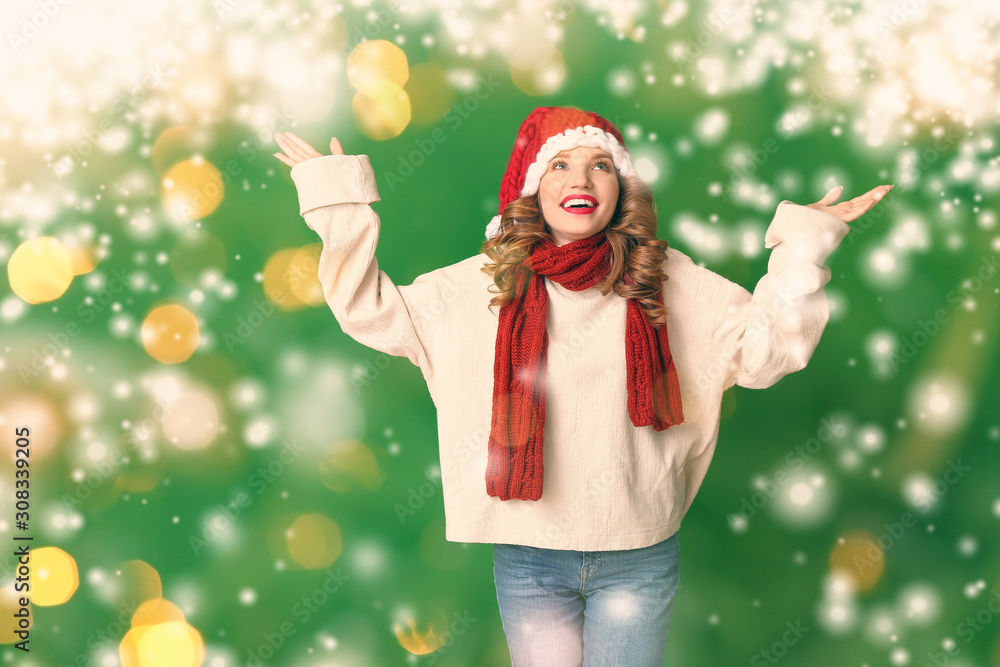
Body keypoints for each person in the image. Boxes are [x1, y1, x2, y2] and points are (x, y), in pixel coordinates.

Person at [273, 106, 892, 666]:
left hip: (638, 551)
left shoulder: (664, 278)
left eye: (601, 165)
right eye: (560, 164)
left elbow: (764, 353)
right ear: (532, 187)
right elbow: (372, 310)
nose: (581, 179)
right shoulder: (485, 285)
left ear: (621, 188)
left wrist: (802, 251)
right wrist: (341, 209)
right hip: (531, 553)